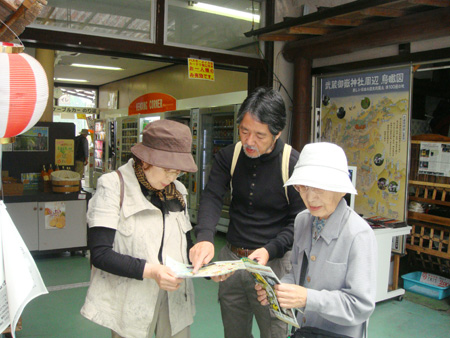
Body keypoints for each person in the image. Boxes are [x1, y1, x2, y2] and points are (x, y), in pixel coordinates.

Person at [189, 87, 306, 338]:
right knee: (234, 334)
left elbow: (299, 222)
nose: (249, 141)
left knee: (274, 332)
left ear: (277, 133)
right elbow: (210, 197)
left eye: (259, 135)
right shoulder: (229, 156)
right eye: (244, 131)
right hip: (232, 260)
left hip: (273, 264)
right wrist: (205, 238)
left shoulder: (292, 163)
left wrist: (269, 249)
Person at [80, 120, 197, 338]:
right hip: (132, 297)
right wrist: (152, 271)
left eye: (178, 172)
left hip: (175, 296)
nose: (172, 178)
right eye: (167, 170)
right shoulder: (113, 186)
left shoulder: (177, 191)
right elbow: (100, 254)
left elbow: (186, 243)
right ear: (145, 162)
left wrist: (205, 265)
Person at [255, 142, 377, 338]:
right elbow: (296, 273)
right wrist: (278, 290)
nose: (310, 198)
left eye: (319, 188)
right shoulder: (303, 220)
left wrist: (307, 298)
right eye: (302, 187)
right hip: (305, 330)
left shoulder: (358, 234)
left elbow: (360, 306)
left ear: (341, 189)